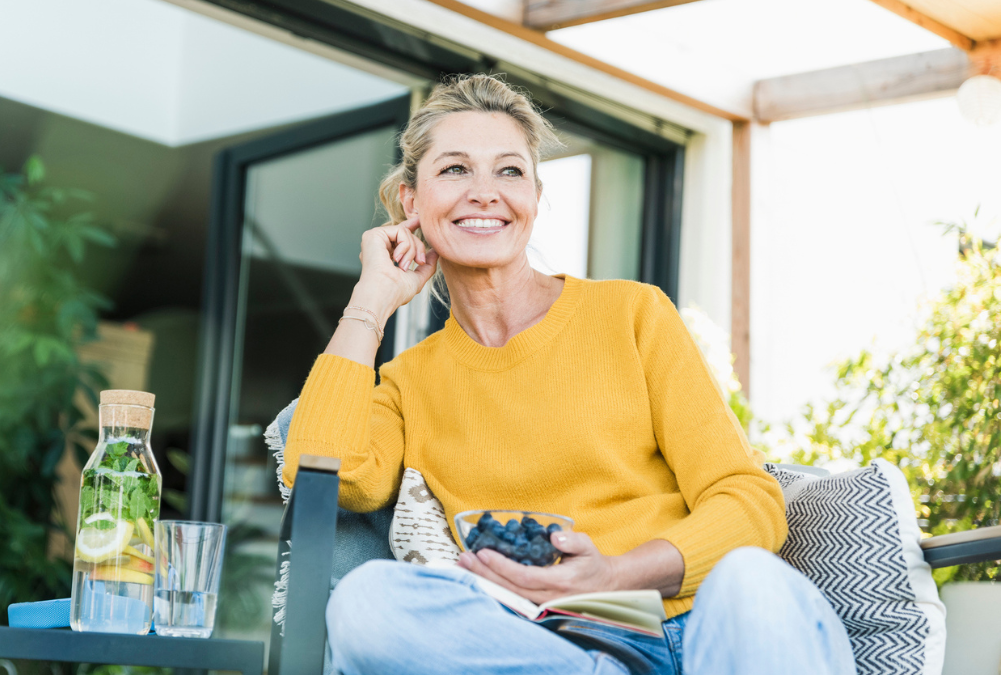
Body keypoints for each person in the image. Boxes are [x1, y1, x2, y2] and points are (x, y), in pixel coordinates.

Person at [280, 74, 855, 675]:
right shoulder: (408, 383)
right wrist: (371, 300)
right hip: (545, 648)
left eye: (509, 171)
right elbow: (319, 471)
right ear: (411, 202)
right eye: (454, 170)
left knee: (752, 580)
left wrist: (614, 572)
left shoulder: (632, 314)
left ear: (533, 195)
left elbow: (747, 500)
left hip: (698, 628)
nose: (485, 193)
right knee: (365, 603)